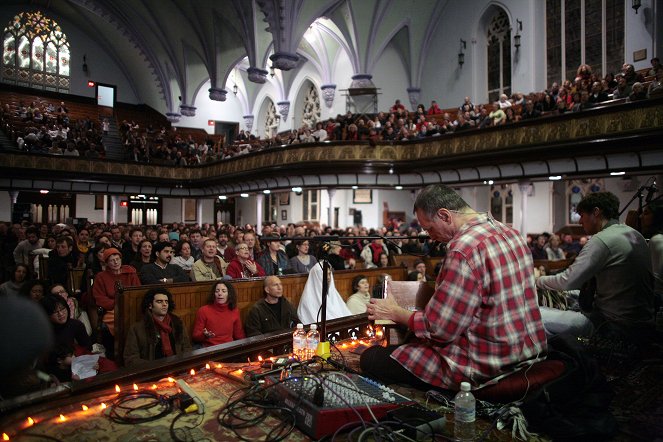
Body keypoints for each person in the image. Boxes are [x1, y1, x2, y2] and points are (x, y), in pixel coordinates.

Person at [361, 184, 547, 391]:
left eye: (429, 228)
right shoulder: (511, 233)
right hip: (527, 350)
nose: (430, 236)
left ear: (445, 215)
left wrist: (394, 312)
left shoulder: (464, 249)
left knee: (373, 358)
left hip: (487, 362)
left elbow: (439, 329)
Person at [536, 192, 655, 340]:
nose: (580, 221)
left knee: (535, 314)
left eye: (582, 215)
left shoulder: (602, 240)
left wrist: (538, 281)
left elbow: (568, 281)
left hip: (614, 326)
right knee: (570, 297)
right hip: (642, 322)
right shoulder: (635, 235)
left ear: (596, 212)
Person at [123, 287, 192, 367]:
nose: (164, 304)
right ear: (150, 305)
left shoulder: (177, 323)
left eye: (166, 301)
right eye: (159, 301)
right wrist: (154, 367)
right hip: (152, 372)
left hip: (177, 368)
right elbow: (130, 359)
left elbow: (187, 348)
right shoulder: (137, 329)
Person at [93, 248, 141, 348]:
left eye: (118, 259)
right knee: (117, 321)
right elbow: (99, 298)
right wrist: (117, 304)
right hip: (112, 309)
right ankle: (117, 349)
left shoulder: (130, 273)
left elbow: (137, 292)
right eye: (112, 260)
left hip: (130, 307)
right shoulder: (101, 276)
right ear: (106, 263)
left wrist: (128, 304)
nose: (116, 262)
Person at [192, 281, 245, 347]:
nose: (220, 293)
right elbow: (195, 336)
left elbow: (239, 335)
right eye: (217, 291)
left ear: (229, 294)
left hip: (228, 349)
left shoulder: (234, 311)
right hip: (209, 349)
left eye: (223, 291)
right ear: (213, 294)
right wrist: (204, 335)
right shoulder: (203, 310)